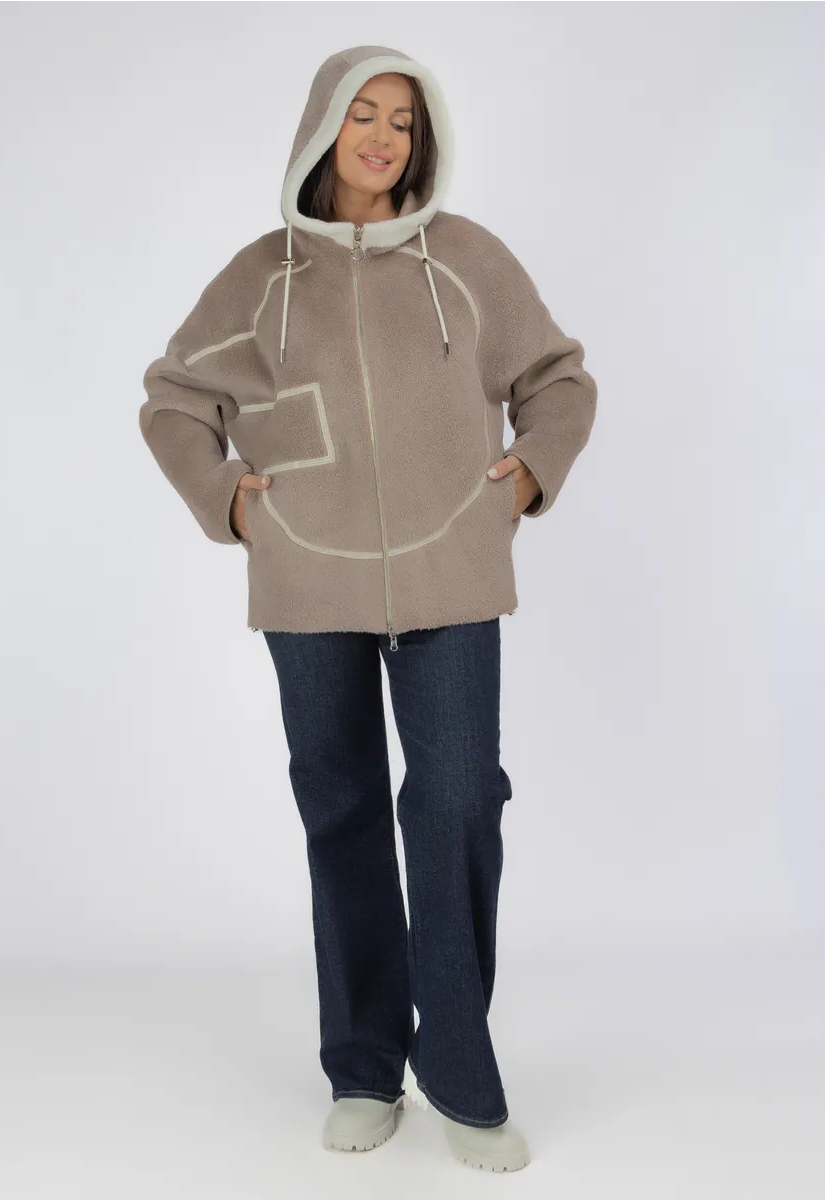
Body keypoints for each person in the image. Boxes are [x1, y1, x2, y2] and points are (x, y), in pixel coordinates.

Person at [139, 44, 597, 1173]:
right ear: (323, 127)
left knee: (458, 801)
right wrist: (228, 501)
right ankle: (362, 1066)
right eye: (364, 114)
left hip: (451, 573)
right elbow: (175, 399)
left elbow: (558, 379)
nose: (384, 136)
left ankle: (460, 1066)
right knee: (340, 811)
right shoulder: (263, 275)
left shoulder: (468, 260)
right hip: (309, 583)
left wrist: (531, 474)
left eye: (402, 119)